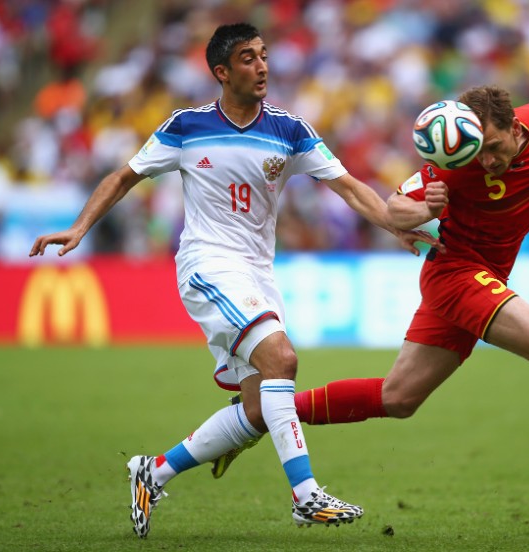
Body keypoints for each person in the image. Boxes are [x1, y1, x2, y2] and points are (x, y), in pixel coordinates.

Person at [28, 22, 441, 538]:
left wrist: (395, 222)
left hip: (256, 272)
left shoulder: (290, 130)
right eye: (248, 58)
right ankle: (306, 495)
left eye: (264, 55)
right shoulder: (186, 127)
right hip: (206, 263)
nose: (263, 66)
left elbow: (352, 189)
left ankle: (152, 471)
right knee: (282, 360)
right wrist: (79, 227)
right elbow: (123, 176)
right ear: (222, 72)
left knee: (258, 408)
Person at [216, 85, 529, 521]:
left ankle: (260, 416)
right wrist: (429, 208)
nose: (487, 162)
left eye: (496, 149)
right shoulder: (455, 160)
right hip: (457, 274)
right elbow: (396, 205)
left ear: (516, 128)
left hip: (480, 278)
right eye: (478, 153)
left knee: (397, 398)